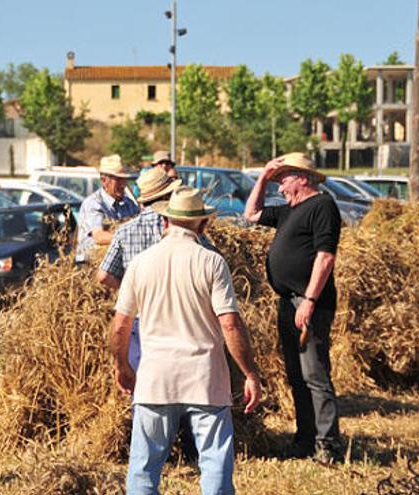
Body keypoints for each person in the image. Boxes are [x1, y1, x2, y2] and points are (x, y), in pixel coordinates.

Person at [111, 187, 260, 494]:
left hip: (155, 379)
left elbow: (119, 327)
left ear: (166, 222)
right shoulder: (212, 262)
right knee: (215, 464)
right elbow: (230, 325)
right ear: (203, 225)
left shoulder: (141, 263)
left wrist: (122, 365)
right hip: (204, 378)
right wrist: (250, 373)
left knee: (144, 468)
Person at [244, 152, 343, 463]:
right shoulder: (289, 211)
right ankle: (305, 440)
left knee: (315, 374)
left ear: (303, 178)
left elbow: (325, 257)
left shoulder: (322, 205)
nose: (280, 185)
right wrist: (261, 177)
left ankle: (327, 446)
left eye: (284, 178)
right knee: (296, 376)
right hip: (288, 302)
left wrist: (310, 300)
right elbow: (251, 213)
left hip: (308, 303)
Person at [97, 166, 182, 366]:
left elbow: (103, 276)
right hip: (176, 318)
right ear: (168, 195)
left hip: (140, 317)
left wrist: (130, 291)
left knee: (142, 381)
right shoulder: (180, 227)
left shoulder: (124, 231)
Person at [76, 154, 140, 263]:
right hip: (89, 265)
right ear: (104, 180)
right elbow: (99, 237)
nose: (123, 184)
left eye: (124, 180)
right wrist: (131, 238)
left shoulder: (128, 204)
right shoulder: (94, 204)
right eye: (118, 180)